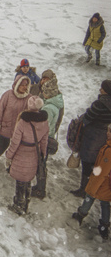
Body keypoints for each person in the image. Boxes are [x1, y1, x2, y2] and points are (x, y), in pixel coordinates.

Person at [6, 96, 49, 215]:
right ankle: (26, 204)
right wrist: (43, 155)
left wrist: (9, 155)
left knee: (20, 181)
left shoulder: (23, 122)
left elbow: (15, 142)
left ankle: (19, 204)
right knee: (28, 180)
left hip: (21, 154)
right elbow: (44, 142)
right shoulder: (44, 122)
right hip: (34, 155)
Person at [68, 80, 111, 198]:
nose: (100, 89)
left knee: (86, 162)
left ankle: (84, 189)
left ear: (106, 91)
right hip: (103, 135)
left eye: (102, 88)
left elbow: (88, 118)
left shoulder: (99, 104)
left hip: (92, 136)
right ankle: (93, 188)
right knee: (96, 162)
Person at [71, 135, 111, 241]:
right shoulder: (107, 146)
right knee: (105, 203)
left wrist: (94, 184)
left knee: (90, 196)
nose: (107, 133)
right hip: (107, 184)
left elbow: (102, 172)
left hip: (102, 183)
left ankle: (81, 214)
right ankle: (104, 226)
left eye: (109, 131)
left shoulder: (108, 150)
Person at [0, 74, 33, 164]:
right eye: (22, 85)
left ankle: (12, 164)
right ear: (17, 85)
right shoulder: (8, 95)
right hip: (6, 127)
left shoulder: (29, 98)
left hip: (19, 129)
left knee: (16, 149)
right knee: (1, 146)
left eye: (26, 85)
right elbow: (0, 110)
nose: (25, 87)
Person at [36, 70, 64, 199]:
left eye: (45, 92)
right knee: (42, 162)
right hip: (49, 136)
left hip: (44, 139)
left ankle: (40, 189)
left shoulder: (48, 108)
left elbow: (42, 127)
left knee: (40, 164)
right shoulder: (55, 104)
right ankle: (40, 187)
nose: (43, 93)